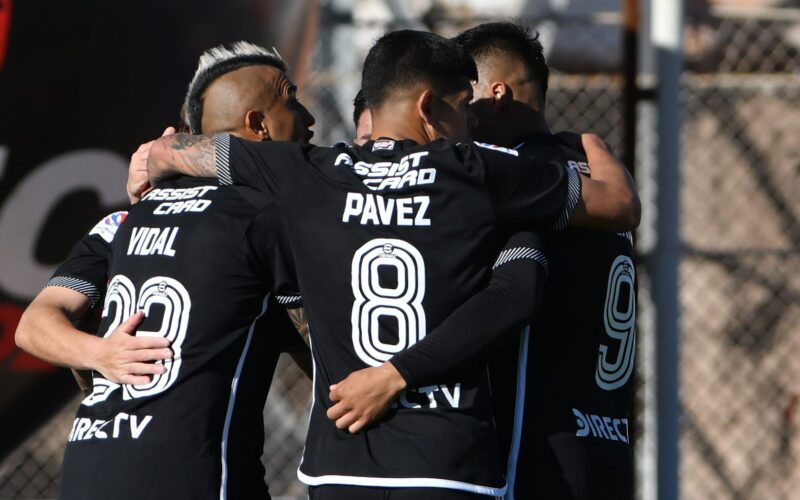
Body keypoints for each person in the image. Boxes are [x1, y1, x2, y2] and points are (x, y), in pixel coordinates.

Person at [144, 30, 639, 499]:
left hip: (338, 460)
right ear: (428, 107)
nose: (471, 125)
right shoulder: (476, 171)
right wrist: (592, 145)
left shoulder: (310, 171)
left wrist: (153, 158)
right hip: (446, 463)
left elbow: (181, 151)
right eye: (464, 108)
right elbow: (619, 206)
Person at [325, 23, 637, 500]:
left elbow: (511, 297)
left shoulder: (503, 174)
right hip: (606, 445)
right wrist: (599, 146)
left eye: (466, 104)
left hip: (533, 452)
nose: (462, 122)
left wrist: (394, 373)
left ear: (497, 95)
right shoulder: (589, 175)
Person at [16, 41, 314, 500]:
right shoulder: (267, 216)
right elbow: (328, 354)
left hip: (90, 468)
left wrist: (96, 353)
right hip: (192, 473)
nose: (309, 119)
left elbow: (34, 325)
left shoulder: (124, 221)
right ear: (258, 126)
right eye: (292, 100)